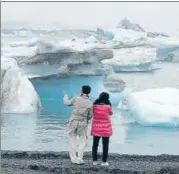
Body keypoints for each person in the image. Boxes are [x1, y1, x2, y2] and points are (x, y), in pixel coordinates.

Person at [63, 85, 93, 164]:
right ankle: (80, 158)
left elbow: (67, 103)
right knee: (82, 141)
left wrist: (65, 96)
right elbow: (90, 116)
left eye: (81, 89)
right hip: (83, 123)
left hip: (73, 121)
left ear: (82, 91)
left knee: (72, 139)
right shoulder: (90, 102)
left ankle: (74, 158)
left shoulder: (76, 99)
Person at [91, 92, 113, 166]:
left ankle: (94, 161)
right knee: (105, 145)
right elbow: (111, 113)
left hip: (96, 128)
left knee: (95, 144)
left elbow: (93, 113)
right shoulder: (108, 106)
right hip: (106, 128)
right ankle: (104, 161)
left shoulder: (95, 106)